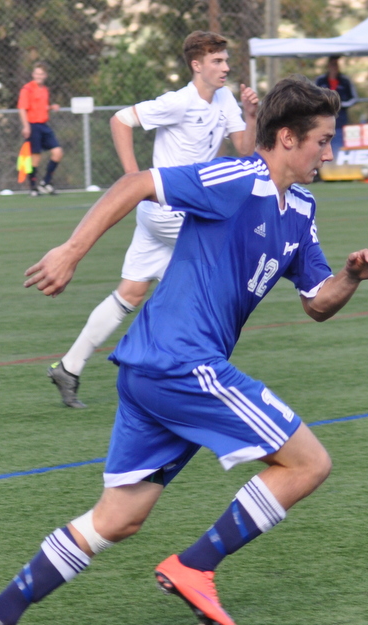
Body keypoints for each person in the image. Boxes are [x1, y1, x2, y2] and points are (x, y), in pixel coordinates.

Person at [0, 74, 368, 625]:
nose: (329, 152)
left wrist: (348, 276)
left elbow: (317, 303)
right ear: (287, 138)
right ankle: (194, 566)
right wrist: (71, 250)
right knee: (308, 463)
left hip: (153, 369)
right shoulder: (237, 180)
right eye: (322, 140)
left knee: (119, 518)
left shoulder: (301, 210)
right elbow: (137, 183)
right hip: (180, 361)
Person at [47, 31, 259, 409]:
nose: (226, 66)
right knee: (213, 285)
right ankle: (188, 377)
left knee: (130, 293)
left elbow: (245, 148)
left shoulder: (225, 99)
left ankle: (69, 367)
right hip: (169, 212)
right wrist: (134, 180)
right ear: (197, 65)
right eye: (217, 61)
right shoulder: (179, 102)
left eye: (226, 60)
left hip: (165, 214)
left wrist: (253, 115)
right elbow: (120, 120)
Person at [17, 64, 63, 196]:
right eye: (36, 73)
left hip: (44, 125)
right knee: (36, 156)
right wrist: (26, 126)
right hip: (33, 125)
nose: (39, 76)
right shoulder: (27, 89)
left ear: (45, 76)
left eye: (41, 74)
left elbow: (41, 106)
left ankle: (46, 182)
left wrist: (51, 107)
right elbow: (22, 108)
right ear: (33, 74)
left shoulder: (45, 89)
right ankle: (33, 187)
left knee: (58, 152)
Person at [314, 56, 357, 128]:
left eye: (336, 64)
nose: (334, 67)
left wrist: (341, 104)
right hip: (324, 115)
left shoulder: (345, 81)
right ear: (328, 66)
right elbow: (313, 97)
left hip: (341, 115)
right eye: (332, 64)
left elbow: (354, 98)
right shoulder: (320, 80)